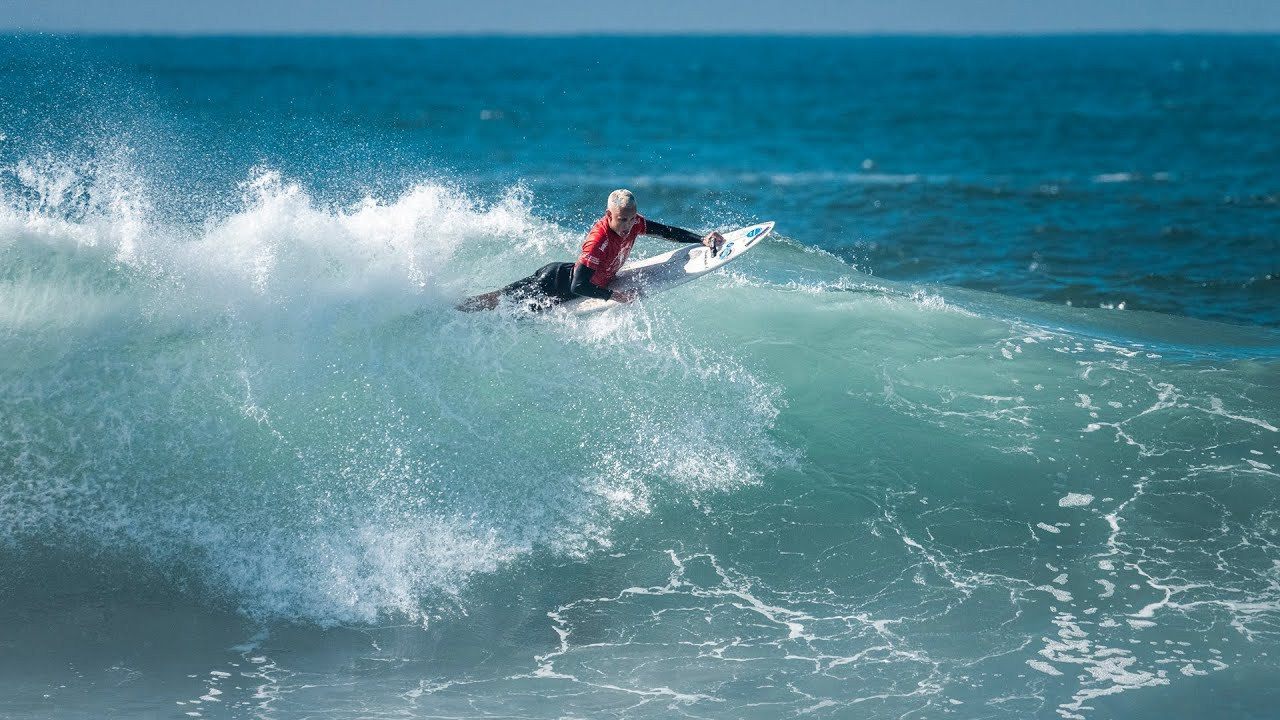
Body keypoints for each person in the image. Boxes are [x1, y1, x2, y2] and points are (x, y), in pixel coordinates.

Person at [458, 189, 725, 312]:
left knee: (502, 307)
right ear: (609, 214)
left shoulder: (634, 223)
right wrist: (614, 296)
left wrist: (701, 239)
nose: (627, 225)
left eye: (632, 219)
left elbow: (667, 231)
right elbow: (577, 286)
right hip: (552, 284)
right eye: (621, 219)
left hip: (573, 282)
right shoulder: (598, 239)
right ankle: (451, 307)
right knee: (496, 304)